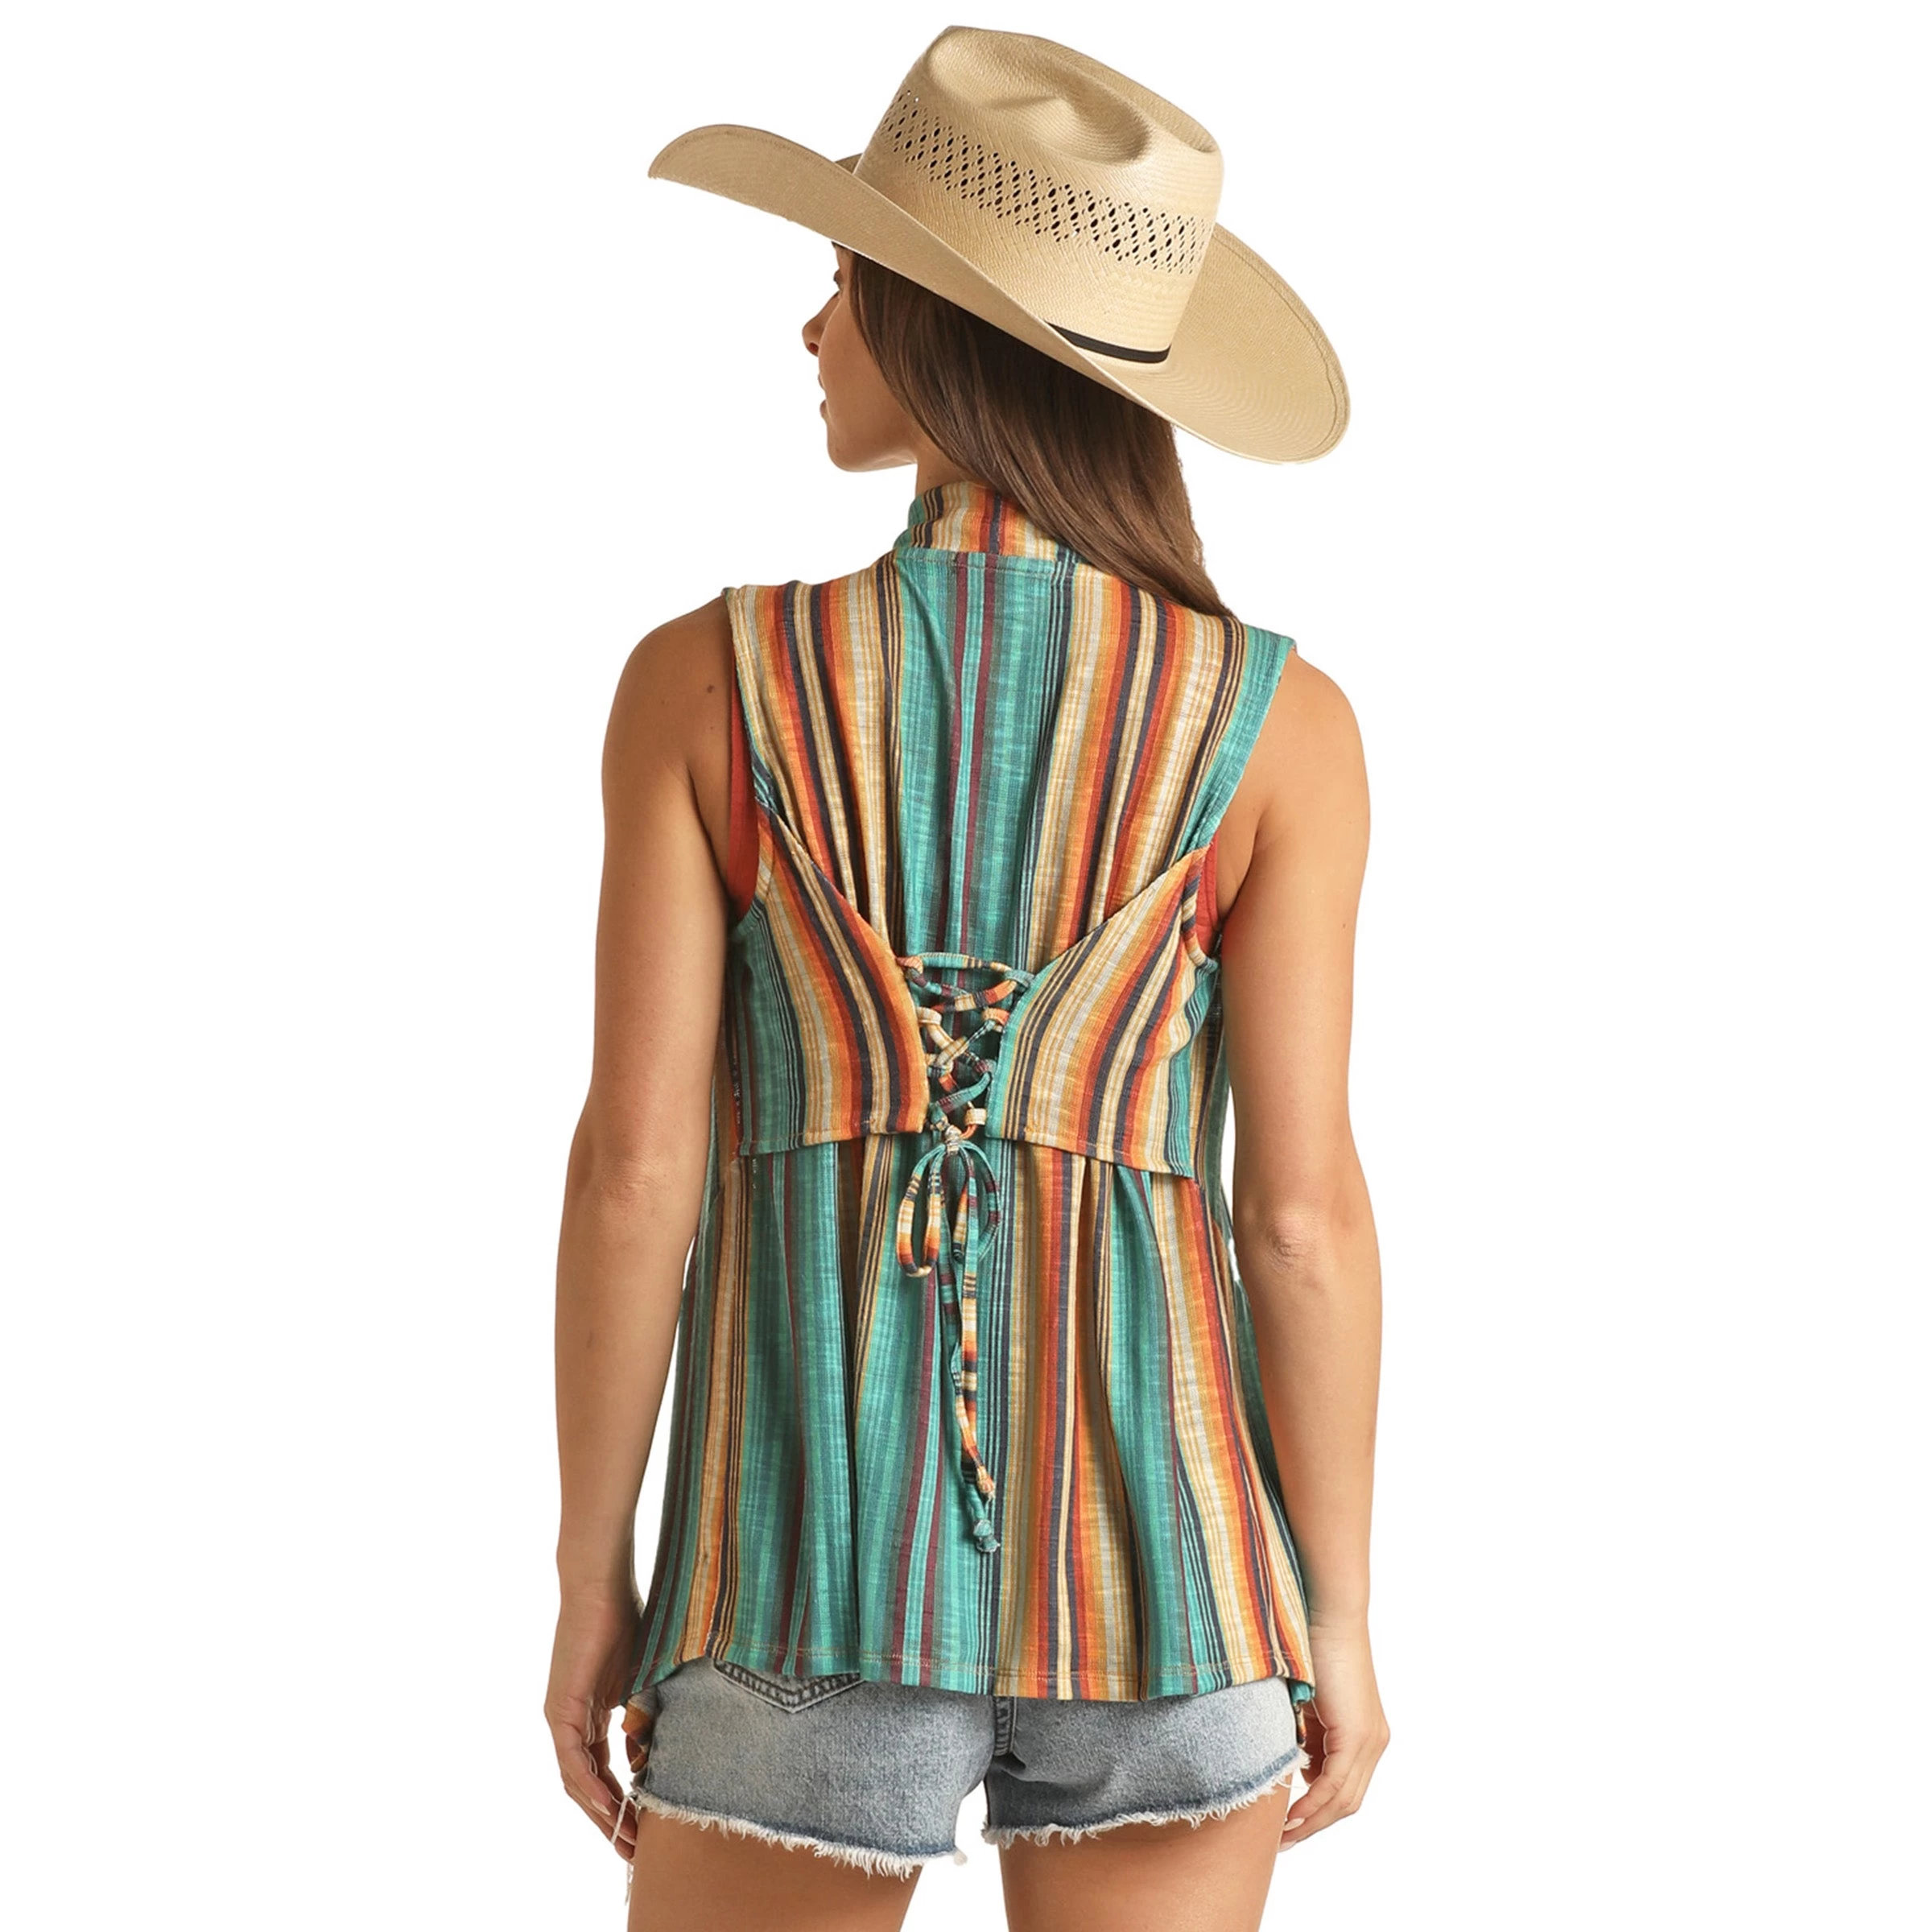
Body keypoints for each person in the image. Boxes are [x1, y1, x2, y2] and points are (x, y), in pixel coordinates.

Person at [547, 27, 1387, 1931]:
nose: (811, 327)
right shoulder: (1281, 726)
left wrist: (596, 1573)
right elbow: (1304, 1218)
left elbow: (635, 1174)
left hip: (797, 1578)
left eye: (843, 280)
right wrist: (1332, 1606)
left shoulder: (707, 684)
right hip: (1174, 1589)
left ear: (938, 329)